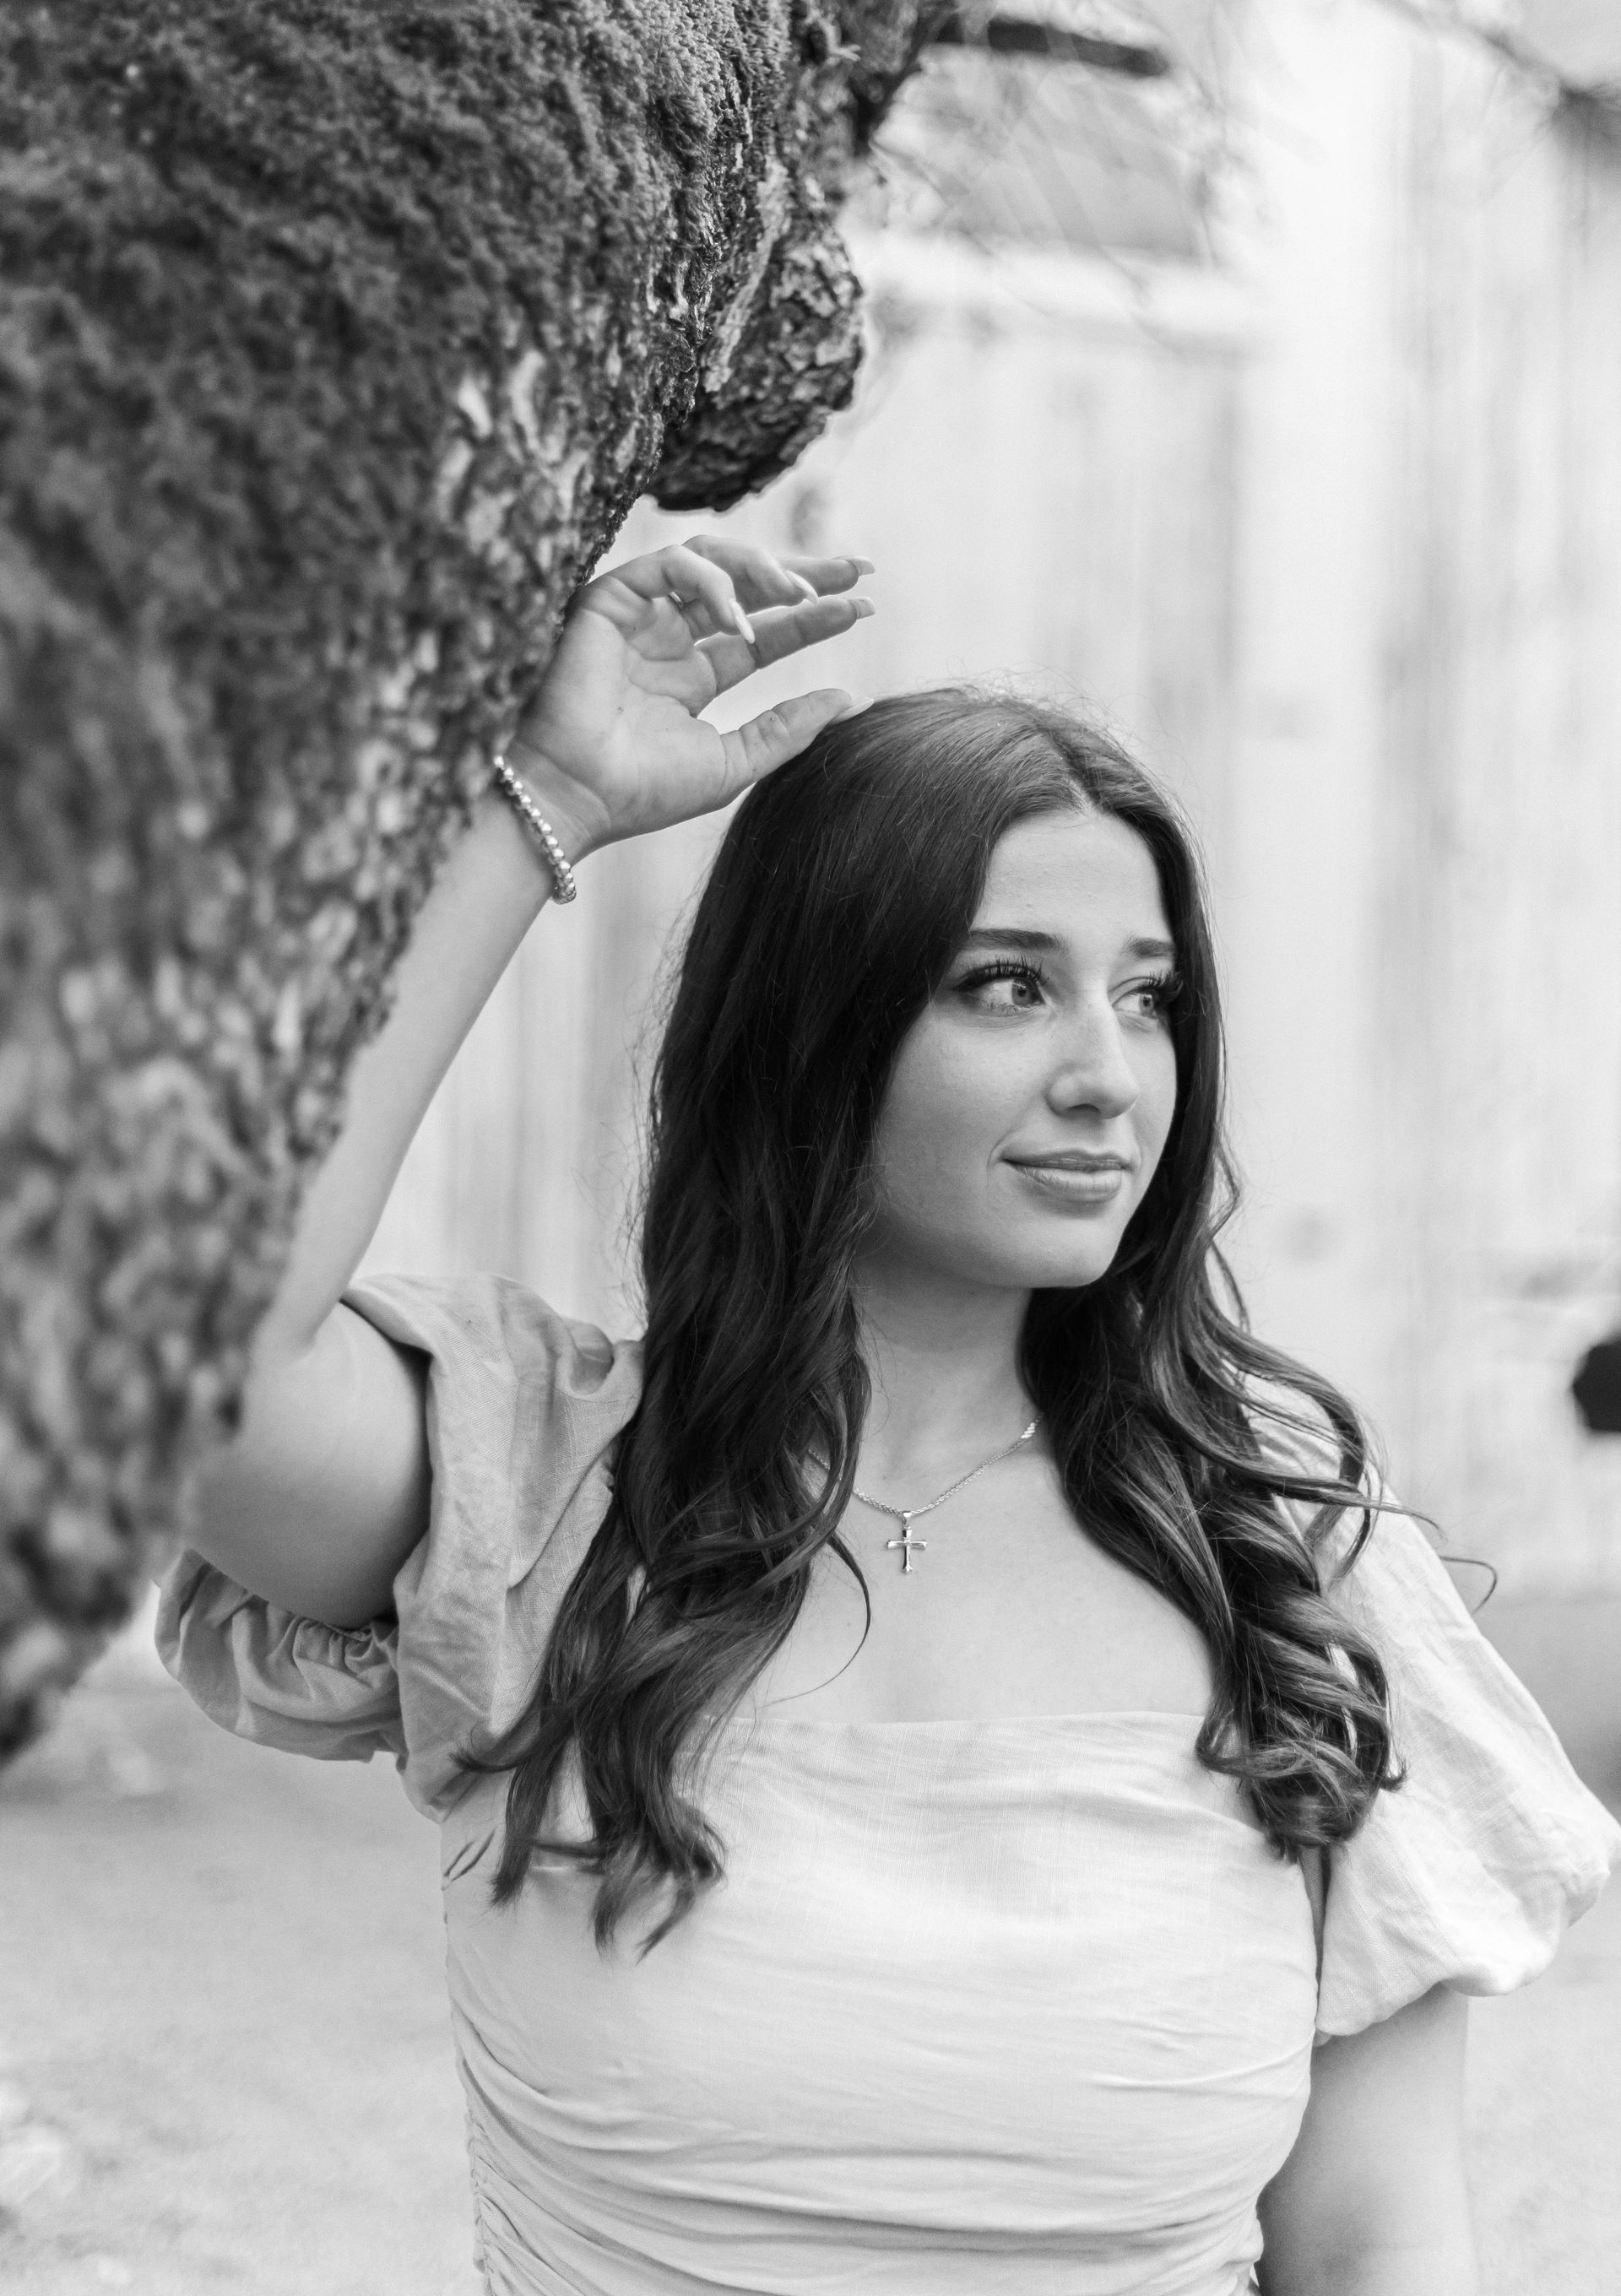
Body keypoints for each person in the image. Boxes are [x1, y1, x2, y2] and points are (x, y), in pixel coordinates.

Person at [160, 536, 1620, 2296]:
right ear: (814, 1029)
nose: (1109, 1071)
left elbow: (1386, 2242)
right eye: (1005, 984)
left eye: (1149, 996)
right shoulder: (536, 1500)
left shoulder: (1290, 1563)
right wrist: (540, 801)